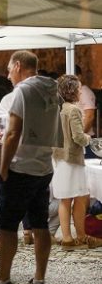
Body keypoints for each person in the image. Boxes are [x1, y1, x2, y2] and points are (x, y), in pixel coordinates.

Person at [0, 51, 61, 284]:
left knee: (8, 225)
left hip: (20, 166)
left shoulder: (22, 91)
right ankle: (39, 281)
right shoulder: (51, 89)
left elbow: (13, 133)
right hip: (43, 166)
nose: (8, 75)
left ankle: (2, 282)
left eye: (10, 69)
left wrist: (3, 166)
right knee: (40, 224)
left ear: (19, 66)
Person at [52, 75, 97, 250]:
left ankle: (68, 239)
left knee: (65, 199)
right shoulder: (74, 110)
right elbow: (78, 137)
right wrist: (90, 140)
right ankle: (80, 236)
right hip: (72, 160)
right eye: (78, 88)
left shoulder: (58, 109)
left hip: (59, 158)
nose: (80, 91)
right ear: (72, 90)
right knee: (80, 197)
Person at [75, 65, 96, 156]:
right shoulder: (75, 92)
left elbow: (89, 116)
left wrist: (79, 135)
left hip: (84, 141)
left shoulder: (85, 92)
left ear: (79, 76)